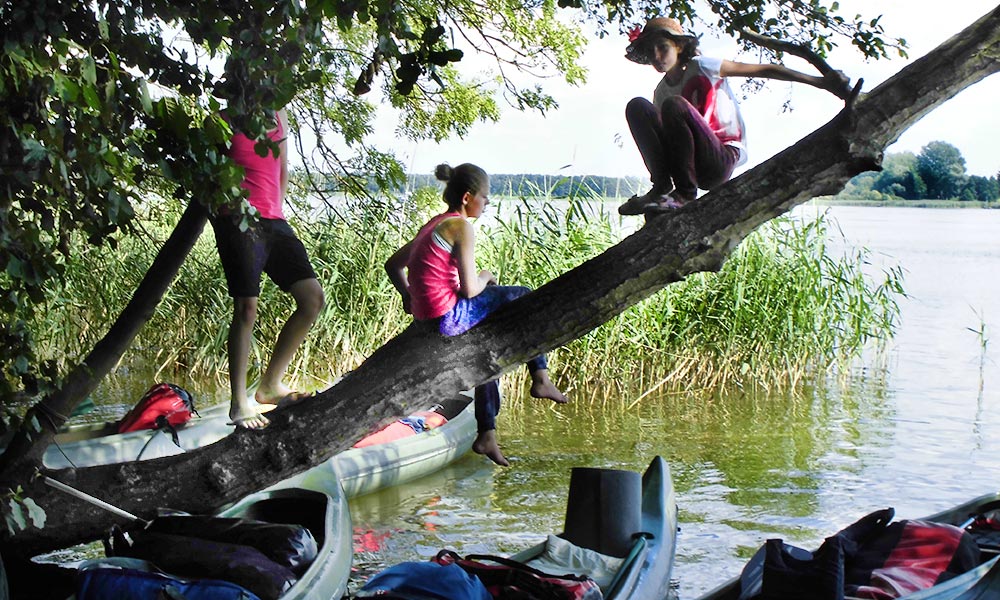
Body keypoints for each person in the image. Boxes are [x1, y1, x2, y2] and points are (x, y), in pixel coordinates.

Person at [385, 163, 568, 466]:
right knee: (522, 295)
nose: (487, 204)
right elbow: (471, 290)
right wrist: (486, 276)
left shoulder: (434, 224)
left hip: (427, 318)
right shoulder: (460, 226)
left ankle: (487, 434)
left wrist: (409, 296)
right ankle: (541, 375)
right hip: (448, 316)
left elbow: (393, 265)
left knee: (488, 350)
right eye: (486, 197)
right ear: (469, 197)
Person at [617, 17, 851, 215]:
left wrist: (821, 82)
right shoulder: (661, 91)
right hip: (687, 166)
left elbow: (765, 70)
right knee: (637, 106)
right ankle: (662, 186)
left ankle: (685, 195)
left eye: (663, 47)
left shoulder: (704, 66)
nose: (657, 55)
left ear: (678, 46)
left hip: (720, 157)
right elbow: (667, 142)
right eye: (650, 51)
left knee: (674, 105)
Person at [213, 108, 325, 429]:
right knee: (247, 308)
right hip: (236, 219)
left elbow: (282, 169)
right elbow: (208, 176)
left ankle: (270, 386)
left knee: (312, 299)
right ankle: (239, 404)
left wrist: (275, 208)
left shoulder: (280, 116)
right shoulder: (224, 117)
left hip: (274, 219)